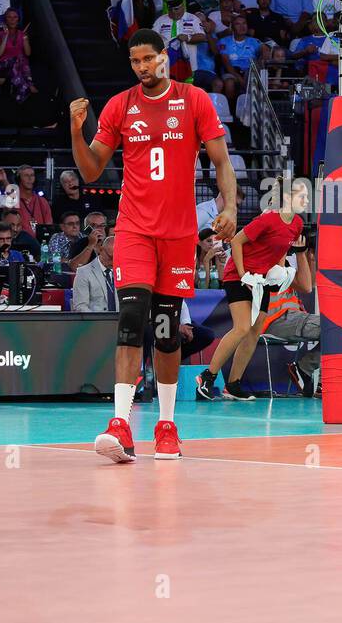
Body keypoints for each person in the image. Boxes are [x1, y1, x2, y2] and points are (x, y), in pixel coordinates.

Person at [70, 28, 237, 463]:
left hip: (178, 235)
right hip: (134, 231)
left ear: (164, 57)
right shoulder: (120, 105)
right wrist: (75, 132)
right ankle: (120, 424)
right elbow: (91, 171)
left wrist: (232, 207)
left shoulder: (194, 99)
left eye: (149, 59)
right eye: (135, 61)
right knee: (130, 318)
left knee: (165, 332)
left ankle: (166, 427)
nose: (143, 67)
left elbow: (221, 162)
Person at [197, 182, 307, 401]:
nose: (306, 200)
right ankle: (207, 376)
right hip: (237, 275)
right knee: (242, 327)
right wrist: (243, 273)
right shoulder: (268, 219)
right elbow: (237, 241)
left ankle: (233, 385)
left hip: (262, 279)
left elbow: (281, 249)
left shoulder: (297, 224)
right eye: (301, 196)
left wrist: (280, 271)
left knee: (255, 331)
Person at [72, 234, 119, 313]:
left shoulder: (122, 271)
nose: (113, 262)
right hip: (95, 322)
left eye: (117, 258)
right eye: (110, 257)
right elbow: (80, 306)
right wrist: (97, 321)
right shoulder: (83, 273)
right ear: (101, 250)